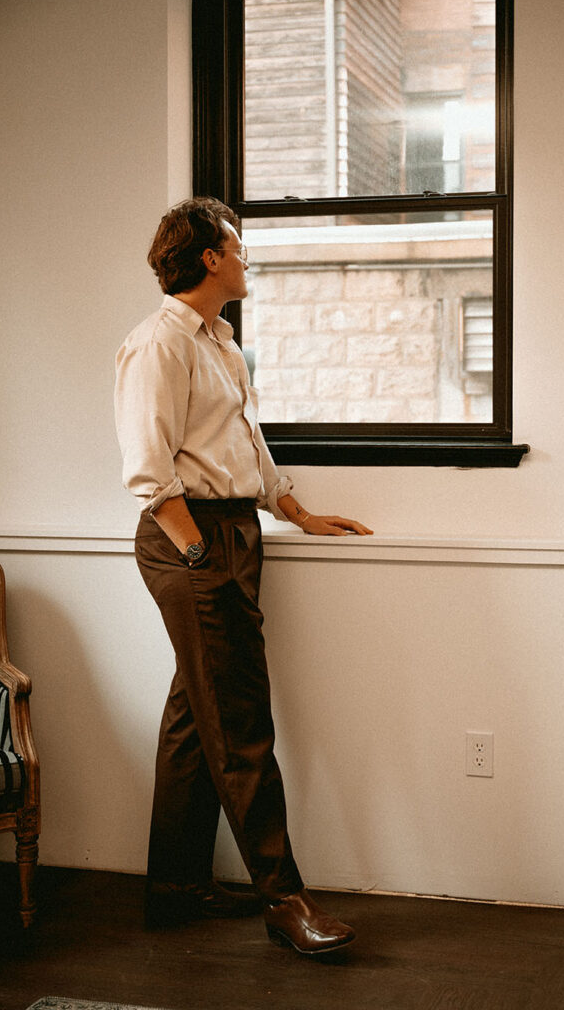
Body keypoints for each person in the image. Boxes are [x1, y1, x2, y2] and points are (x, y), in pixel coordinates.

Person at [114, 197, 372, 955]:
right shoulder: (157, 344)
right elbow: (147, 468)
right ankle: (284, 899)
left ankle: (174, 888)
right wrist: (196, 551)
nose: (245, 257)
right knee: (242, 723)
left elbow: (244, 448)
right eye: (237, 245)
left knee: (200, 717)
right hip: (188, 537)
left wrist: (296, 511)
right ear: (207, 259)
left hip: (230, 531)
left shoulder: (219, 340)